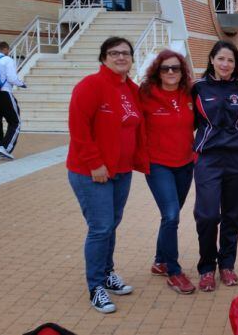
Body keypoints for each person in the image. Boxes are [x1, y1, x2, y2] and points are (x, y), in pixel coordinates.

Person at [66, 36, 148, 314]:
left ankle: (108, 273)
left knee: (111, 225)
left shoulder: (131, 89)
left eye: (125, 53)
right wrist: (94, 164)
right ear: (104, 58)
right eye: (114, 53)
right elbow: (79, 129)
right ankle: (96, 286)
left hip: (121, 171)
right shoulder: (90, 86)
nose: (121, 57)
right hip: (92, 172)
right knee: (100, 227)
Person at [192, 41, 238, 292]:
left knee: (233, 215)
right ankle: (206, 267)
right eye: (221, 59)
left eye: (230, 61)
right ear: (212, 60)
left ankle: (227, 264)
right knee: (207, 215)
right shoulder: (197, 88)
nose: (226, 64)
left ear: (236, 65)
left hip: (237, 158)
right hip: (208, 159)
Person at [139, 50, 196, 294]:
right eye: (165, 68)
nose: (171, 72)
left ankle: (160, 260)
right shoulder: (145, 94)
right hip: (158, 164)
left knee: (170, 215)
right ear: (157, 71)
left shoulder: (189, 93)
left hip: (185, 163)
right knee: (171, 215)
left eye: (175, 68)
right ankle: (173, 271)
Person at [0, 41, 26, 160]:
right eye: (8, 50)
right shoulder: (7, 60)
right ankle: (5, 147)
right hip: (4, 93)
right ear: (5, 49)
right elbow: (12, 78)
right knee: (15, 122)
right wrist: (22, 84)